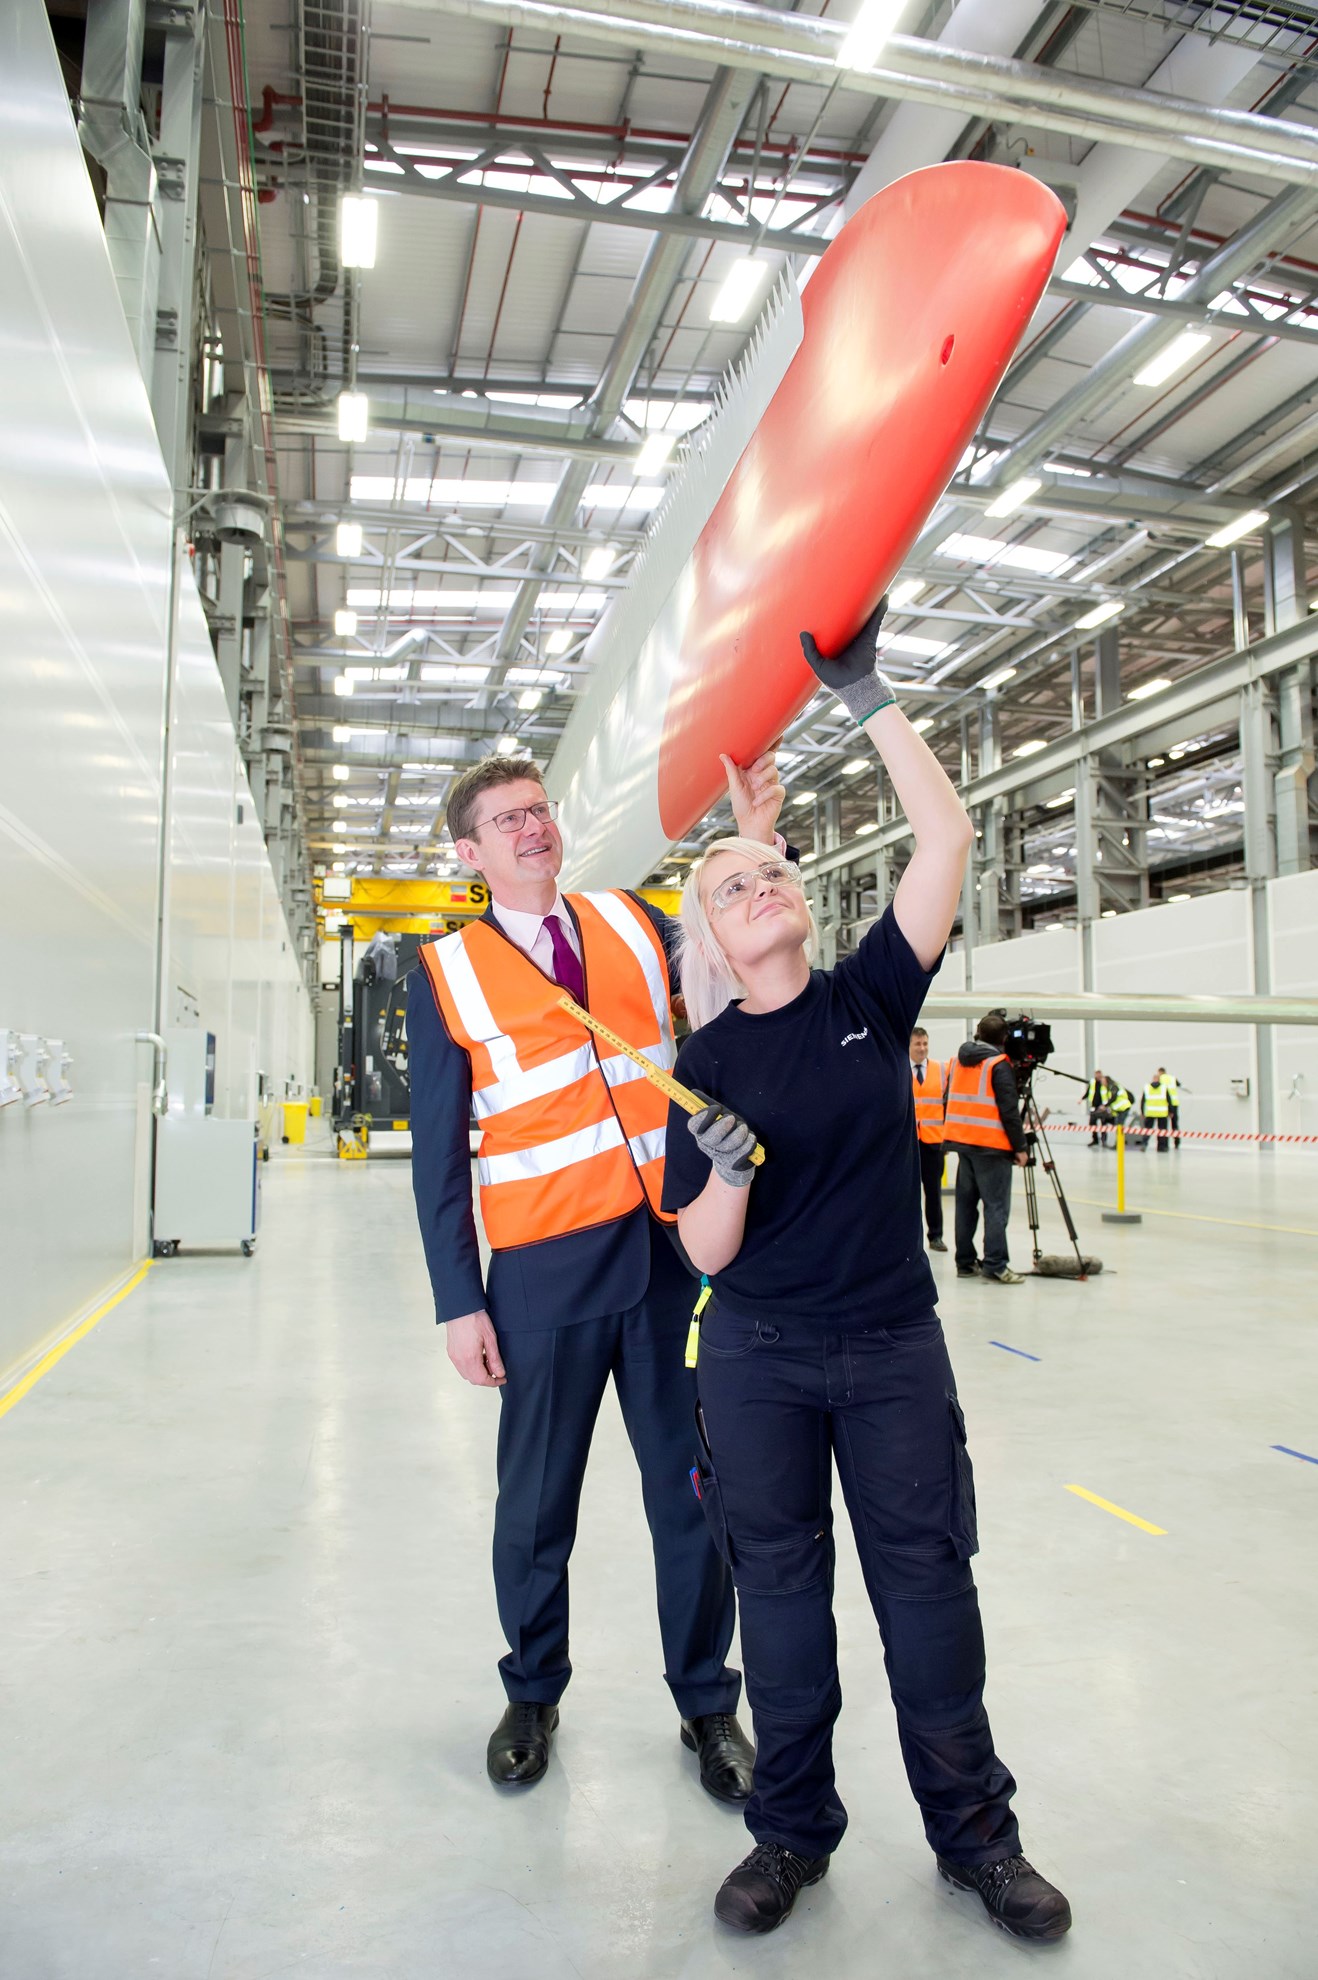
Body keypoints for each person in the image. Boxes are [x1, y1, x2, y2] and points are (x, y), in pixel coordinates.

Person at [660, 601, 1071, 1946]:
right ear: (710, 943)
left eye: (767, 872)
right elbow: (701, 1253)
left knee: (927, 1596)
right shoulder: (703, 1069)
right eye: (728, 886)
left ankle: (975, 1839)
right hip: (761, 1358)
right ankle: (789, 1833)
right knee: (780, 1611)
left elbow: (941, 837)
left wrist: (863, 690)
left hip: (893, 1348)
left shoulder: (864, 999)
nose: (757, 887)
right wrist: (719, 1167)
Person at [408, 745, 789, 1798]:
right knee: (535, 1503)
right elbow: (437, 1157)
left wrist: (758, 837)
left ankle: (709, 1707)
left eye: (539, 811)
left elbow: (736, 940)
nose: (532, 829)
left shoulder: (629, 919)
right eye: (507, 820)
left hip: (670, 1258)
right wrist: (458, 1301)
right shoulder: (445, 972)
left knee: (694, 1493)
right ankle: (532, 1690)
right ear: (471, 851)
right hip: (540, 1273)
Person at [944, 1016, 1031, 1285]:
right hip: (991, 1147)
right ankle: (995, 1264)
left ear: (978, 1034)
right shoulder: (998, 1064)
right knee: (996, 1208)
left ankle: (965, 1263)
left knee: (966, 1206)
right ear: (1004, 1039)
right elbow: (1008, 1110)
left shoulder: (959, 1060)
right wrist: (1021, 1147)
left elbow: (948, 1097)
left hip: (963, 1143)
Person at [909, 1026, 948, 1249]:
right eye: (917, 1044)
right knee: (908, 1192)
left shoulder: (940, 1070)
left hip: (934, 1141)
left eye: (925, 1044)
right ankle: (910, 1238)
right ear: (909, 1045)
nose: (922, 1048)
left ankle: (936, 1236)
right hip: (909, 1143)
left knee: (933, 1191)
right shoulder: (902, 1069)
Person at [1142, 1070, 1172, 1152]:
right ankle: (1161, 1147)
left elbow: (1142, 1101)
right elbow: (1169, 1100)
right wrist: (1171, 1111)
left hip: (1150, 1113)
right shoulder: (1164, 1087)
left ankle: (1144, 1144)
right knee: (1162, 1131)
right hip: (1162, 1113)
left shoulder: (1147, 1087)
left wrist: (1142, 1112)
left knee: (1147, 1130)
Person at [1085, 1068, 1113, 1147]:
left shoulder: (1105, 1083)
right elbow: (1088, 1092)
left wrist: (1106, 1105)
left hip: (1103, 1107)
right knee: (1092, 1123)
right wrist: (1081, 1099)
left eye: (1099, 1075)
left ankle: (1104, 1141)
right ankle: (1095, 1140)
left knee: (1103, 1124)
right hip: (1094, 1106)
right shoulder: (1092, 1082)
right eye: (1097, 1075)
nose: (1098, 1076)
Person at [1159, 1065, 1182, 1148]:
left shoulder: (1160, 1078)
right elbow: (1180, 1085)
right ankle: (1177, 1143)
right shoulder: (1172, 1078)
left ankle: (1165, 1145)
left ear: (1160, 1072)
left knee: (1164, 1125)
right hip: (1175, 1104)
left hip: (1165, 1104)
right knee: (1175, 1125)